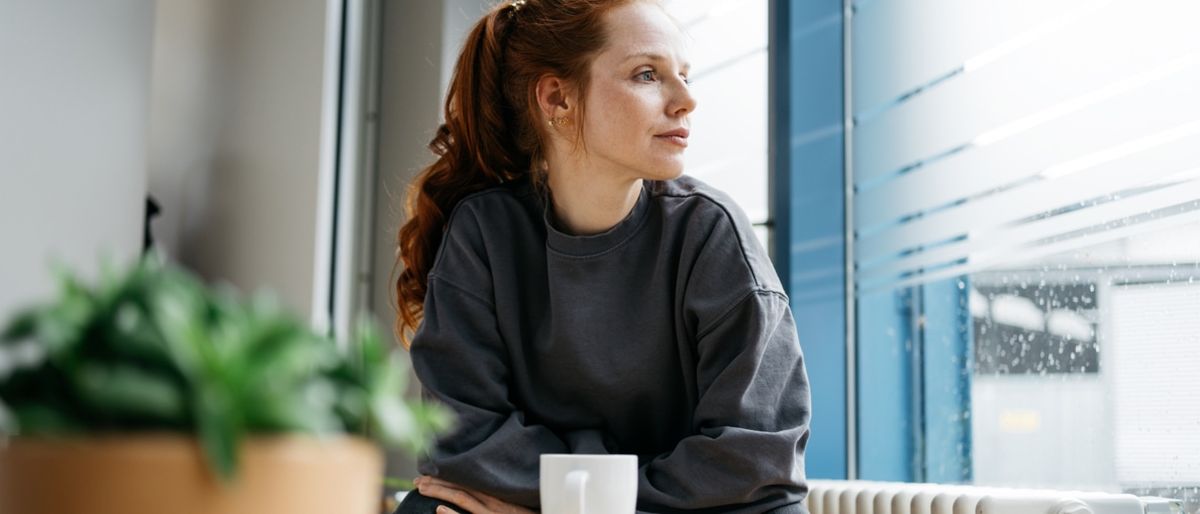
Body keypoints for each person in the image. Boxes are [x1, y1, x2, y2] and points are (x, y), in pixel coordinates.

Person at [392, 0, 812, 512]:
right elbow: (460, 438)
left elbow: (755, 458)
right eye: (646, 74)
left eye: (684, 75)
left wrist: (573, 504)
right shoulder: (483, 233)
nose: (686, 100)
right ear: (556, 99)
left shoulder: (713, 232)